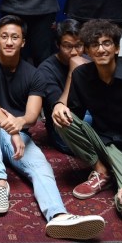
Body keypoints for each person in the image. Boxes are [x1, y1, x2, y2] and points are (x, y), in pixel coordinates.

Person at [0, 16, 105, 240]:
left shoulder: (34, 74)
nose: (9, 42)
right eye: (4, 37)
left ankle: (58, 216)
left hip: (17, 140)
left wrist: (18, 127)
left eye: (15, 37)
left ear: (23, 42)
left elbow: (32, 117)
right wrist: (12, 129)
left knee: (42, 167)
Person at [52, 20, 122, 222]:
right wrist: (59, 106)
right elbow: (74, 116)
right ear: (88, 51)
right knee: (62, 119)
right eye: (94, 45)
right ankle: (102, 171)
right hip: (101, 142)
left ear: (117, 48)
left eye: (106, 43)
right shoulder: (81, 75)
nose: (100, 49)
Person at [33, 19, 85, 154]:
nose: (74, 52)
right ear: (58, 45)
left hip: (87, 117)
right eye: (68, 46)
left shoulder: (87, 61)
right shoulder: (45, 70)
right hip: (62, 126)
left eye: (79, 46)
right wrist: (72, 73)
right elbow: (60, 111)